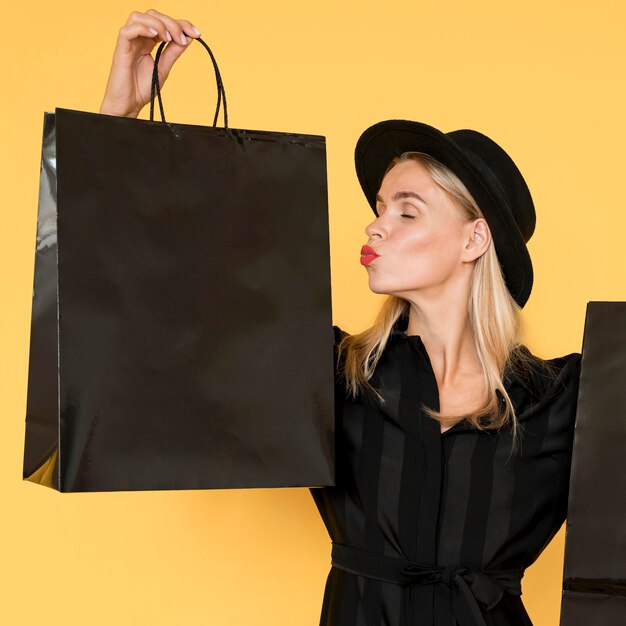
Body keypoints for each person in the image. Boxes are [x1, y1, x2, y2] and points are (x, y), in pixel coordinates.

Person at [99, 10, 582, 626]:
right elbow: (158, 305)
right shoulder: (330, 374)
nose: (375, 225)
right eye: (379, 207)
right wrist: (118, 122)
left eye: (407, 212)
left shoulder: (565, 401)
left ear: (473, 240)